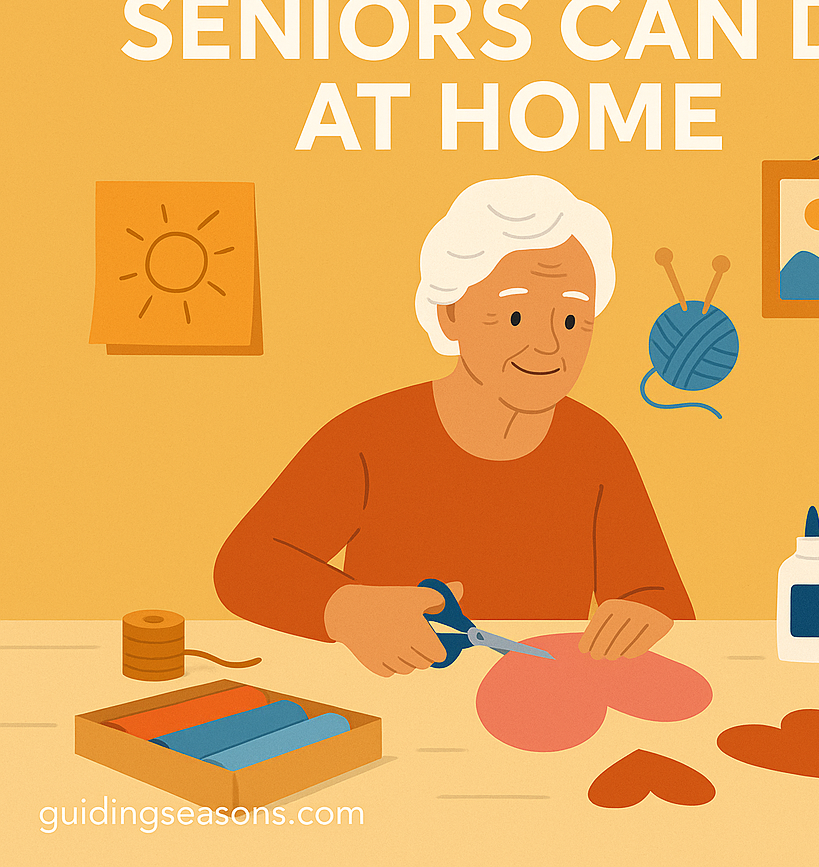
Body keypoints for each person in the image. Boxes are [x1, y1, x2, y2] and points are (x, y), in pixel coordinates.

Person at [214, 175, 695, 677]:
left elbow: (657, 596)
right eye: (513, 316)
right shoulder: (372, 438)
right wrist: (346, 609)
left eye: (573, 320)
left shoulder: (596, 447)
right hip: (391, 698)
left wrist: (646, 616)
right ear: (449, 314)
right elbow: (246, 564)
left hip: (540, 700)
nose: (550, 346)